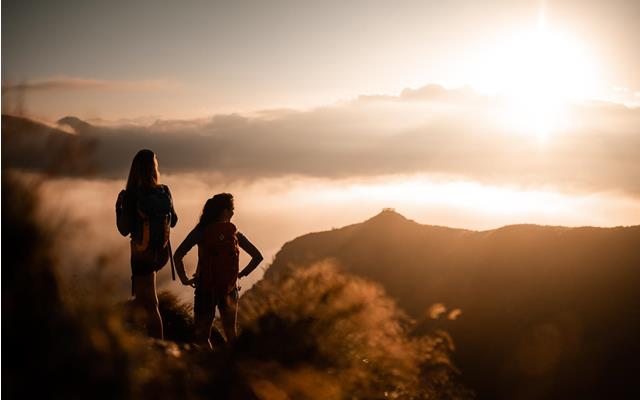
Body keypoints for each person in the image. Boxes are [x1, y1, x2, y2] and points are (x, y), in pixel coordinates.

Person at [174, 193, 263, 348]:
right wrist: (240, 275)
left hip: (205, 287)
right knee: (231, 334)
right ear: (224, 211)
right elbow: (257, 257)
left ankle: (210, 366)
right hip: (230, 288)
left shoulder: (200, 232)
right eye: (232, 209)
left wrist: (185, 279)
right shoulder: (234, 234)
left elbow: (178, 255)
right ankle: (231, 368)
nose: (233, 213)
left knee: (202, 336)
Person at [116, 149, 178, 340]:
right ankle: (145, 339)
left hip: (141, 254)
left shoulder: (130, 195)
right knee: (145, 301)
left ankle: (158, 345)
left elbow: (124, 229)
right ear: (154, 169)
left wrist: (118, 208)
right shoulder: (164, 190)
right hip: (160, 254)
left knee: (150, 304)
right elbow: (174, 220)